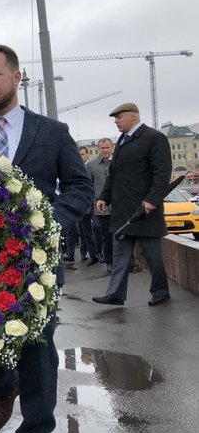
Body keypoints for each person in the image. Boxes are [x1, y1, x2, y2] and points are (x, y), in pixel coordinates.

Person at [0, 44, 93, 433]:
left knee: (37, 350)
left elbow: (81, 187)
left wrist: (48, 224)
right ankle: (4, 385)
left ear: (17, 77)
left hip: (36, 264)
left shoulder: (52, 132)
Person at [92, 103, 172, 307]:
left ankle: (161, 292)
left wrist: (152, 200)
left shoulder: (154, 138)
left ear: (133, 117)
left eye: (119, 117)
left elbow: (162, 173)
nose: (116, 121)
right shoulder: (122, 140)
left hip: (145, 210)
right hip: (122, 211)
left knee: (152, 256)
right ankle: (115, 294)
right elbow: (114, 174)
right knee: (120, 256)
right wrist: (104, 197)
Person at [87, 137, 114, 272]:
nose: (105, 150)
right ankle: (109, 261)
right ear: (99, 149)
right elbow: (88, 186)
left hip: (119, 206)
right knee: (107, 235)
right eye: (102, 148)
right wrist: (93, 204)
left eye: (107, 147)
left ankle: (124, 261)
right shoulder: (91, 165)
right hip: (102, 208)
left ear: (112, 148)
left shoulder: (118, 162)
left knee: (121, 234)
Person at [77, 146, 97, 265]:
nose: (81, 157)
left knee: (98, 228)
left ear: (88, 154)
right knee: (85, 231)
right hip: (82, 204)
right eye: (78, 154)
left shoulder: (91, 166)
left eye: (83, 154)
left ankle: (98, 252)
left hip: (95, 203)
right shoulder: (76, 168)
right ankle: (89, 254)